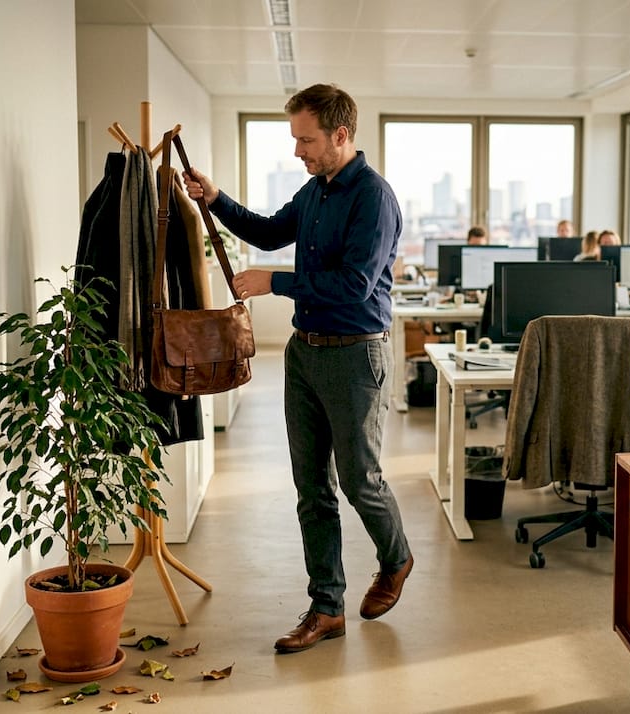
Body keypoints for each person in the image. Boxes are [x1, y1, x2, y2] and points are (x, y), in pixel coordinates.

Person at [183, 83, 413, 655]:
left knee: (361, 480)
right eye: (295, 140)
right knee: (311, 487)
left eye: (306, 140)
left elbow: (356, 286)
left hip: (357, 355)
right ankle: (327, 607)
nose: (298, 152)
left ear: (340, 135)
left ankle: (396, 556)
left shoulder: (374, 199)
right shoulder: (314, 192)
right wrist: (215, 199)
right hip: (305, 353)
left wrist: (274, 282)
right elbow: (265, 230)